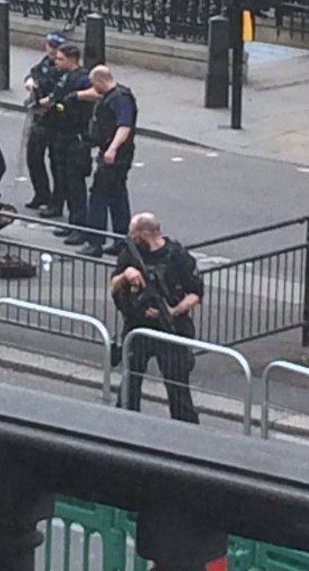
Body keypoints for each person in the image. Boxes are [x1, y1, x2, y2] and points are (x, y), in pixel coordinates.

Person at [111, 213, 203, 423]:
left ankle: (185, 429)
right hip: (138, 328)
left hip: (170, 330)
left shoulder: (177, 256)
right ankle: (124, 424)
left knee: (177, 386)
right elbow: (113, 285)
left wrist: (172, 311)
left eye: (133, 233)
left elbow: (195, 293)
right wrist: (126, 275)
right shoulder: (130, 254)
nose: (130, 236)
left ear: (145, 233)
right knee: (129, 383)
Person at [39, 44, 92, 245]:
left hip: (76, 136)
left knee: (75, 184)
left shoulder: (83, 78)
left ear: (72, 59)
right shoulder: (64, 76)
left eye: (61, 59)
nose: (56, 61)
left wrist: (75, 97)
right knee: (65, 181)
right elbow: (57, 96)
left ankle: (81, 227)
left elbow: (96, 94)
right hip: (61, 133)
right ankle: (72, 223)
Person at [82, 66, 137, 258]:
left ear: (99, 80)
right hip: (116, 154)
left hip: (115, 156)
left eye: (93, 84)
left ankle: (95, 242)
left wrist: (112, 148)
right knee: (117, 196)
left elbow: (124, 126)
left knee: (98, 196)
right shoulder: (115, 95)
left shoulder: (120, 99)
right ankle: (122, 241)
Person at [23, 32, 65, 210]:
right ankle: (41, 194)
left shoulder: (62, 68)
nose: (52, 50)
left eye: (56, 47)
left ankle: (56, 202)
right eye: (50, 46)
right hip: (38, 118)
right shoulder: (45, 63)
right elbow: (33, 73)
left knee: (57, 163)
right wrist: (29, 80)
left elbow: (56, 91)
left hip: (55, 120)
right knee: (33, 157)